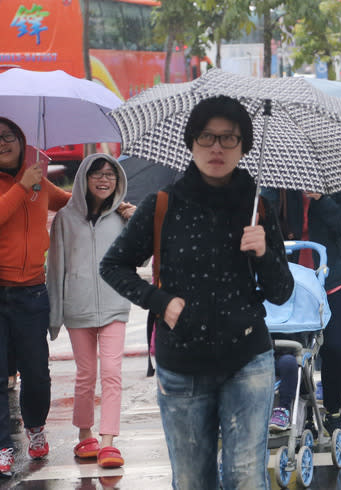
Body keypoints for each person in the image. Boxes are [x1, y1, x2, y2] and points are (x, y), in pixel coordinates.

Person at [100, 95, 294, 489]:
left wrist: (264, 253)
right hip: (182, 365)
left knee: (245, 477)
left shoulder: (258, 208)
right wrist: (161, 303)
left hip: (247, 362)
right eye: (207, 137)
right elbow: (113, 266)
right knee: (192, 481)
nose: (218, 148)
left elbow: (281, 292)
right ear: (191, 142)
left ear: (244, 147)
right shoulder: (164, 204)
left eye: (229, 138)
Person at [47, 153, 132, 469]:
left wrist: (136, 225)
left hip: (114, 306)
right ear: (84, 177)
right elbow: (55, 269)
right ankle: (86, 435)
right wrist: (54, 317)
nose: (104, 179)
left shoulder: (123, 218)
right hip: (77, 307)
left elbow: (141, 261)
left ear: (117, 180)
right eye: (97, 173)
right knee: (86, 374)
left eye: (110, 174)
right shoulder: (65, 219)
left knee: (112, 373)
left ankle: (108, 442)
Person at [0, 117, 72, 475]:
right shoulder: (22, 183)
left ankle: (36, 428)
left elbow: (71, 204)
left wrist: (114, 204)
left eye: (8, 136)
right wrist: (20, 186)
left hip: (31, 293)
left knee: (36, 372)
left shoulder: (39, 182)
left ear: (20, 140)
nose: (2, 143)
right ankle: (3, 446)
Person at [304, 189, 341, 443]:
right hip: (291, 280)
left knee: (335, 348)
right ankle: (304, 413)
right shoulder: (277, 184)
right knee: (296, 353)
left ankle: (333, 413)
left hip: (333, 279)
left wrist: (320, 198)